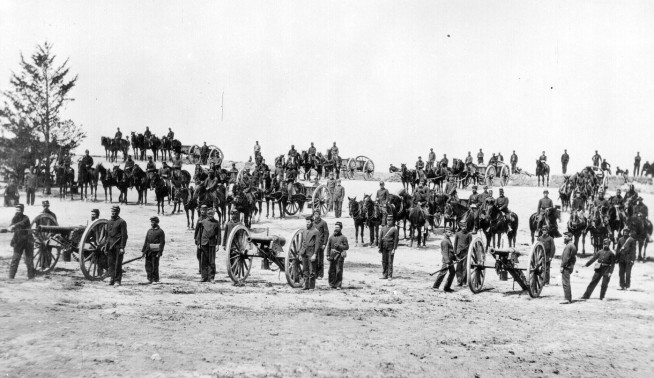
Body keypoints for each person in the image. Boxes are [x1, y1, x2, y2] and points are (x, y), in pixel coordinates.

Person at [8, 204, 34, 279]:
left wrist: (14, 226)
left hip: (27, 241)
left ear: (22, 210)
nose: (17, 211)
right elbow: (11, 225)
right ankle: (11, 277)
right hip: (18, 241)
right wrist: (10, 227)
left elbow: (22, 223)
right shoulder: (14, 218)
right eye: (16, 210)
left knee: (29, 260)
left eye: (19, 210)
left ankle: (31, 277)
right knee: (15, 259)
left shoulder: (26, 218)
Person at [105, 206, 128, 286]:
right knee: (110, 264)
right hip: (110, 246)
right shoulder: (109, 222)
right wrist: (105, 246)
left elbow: (124, 236)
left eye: (115, 211)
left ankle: (117, 280)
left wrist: (122, 247)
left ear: (118, 212)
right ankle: (112, 278)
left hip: (118, 246)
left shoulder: (122, 222)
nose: (113, 213)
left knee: (118, 263)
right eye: (112, 211)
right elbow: (107, 235)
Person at [197, 207, 220, 282]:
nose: (211, 215)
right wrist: (199, 243)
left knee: (212, 261)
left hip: (212, 243)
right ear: (207, 214)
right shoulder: (203, 222)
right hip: (204, 243)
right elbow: (199, 234)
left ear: (214, 214)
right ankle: (204, 277)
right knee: (203, 260)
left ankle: (211, 277)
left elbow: (218, 234)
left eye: (212, 214)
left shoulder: (216, 223)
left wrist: (217, 245)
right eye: (209, 214)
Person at [142, 216, 166, 284]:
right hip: (148, 250)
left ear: (157, 222)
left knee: (154, 265)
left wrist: (160, 252)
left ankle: (155, 279)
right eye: (151, 222)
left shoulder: (160, 231)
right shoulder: (149, 231)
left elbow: (162, 243)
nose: (152, 223)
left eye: (153, 222)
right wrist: (144, 251)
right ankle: (149, 278)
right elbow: (146, 241)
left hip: (155, 251)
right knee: (148, 265)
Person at [326, 221, 349, 289]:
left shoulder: (343, 237)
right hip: (332, 255)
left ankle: (338, 284)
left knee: (339, 270)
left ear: (341, 228)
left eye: (338, 227)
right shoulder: (331, 237)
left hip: (339, 256)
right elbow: (328, 247)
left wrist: (339, 246)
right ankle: (331, 284)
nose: (336, 229)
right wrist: (327, 255)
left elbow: (347, 247)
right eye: (335, 227)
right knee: (331, 270)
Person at [299, 215, 320, 290]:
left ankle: (311, 286)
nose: (307, 224)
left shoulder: (316, 232)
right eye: (306, 223)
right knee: (305, 270)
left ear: (312, 222)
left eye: (308, 223)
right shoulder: (304, 231)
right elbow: (302, 242)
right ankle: (306, 285)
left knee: (312, 270)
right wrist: (300, 253)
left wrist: (315, 254)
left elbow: (317, 244)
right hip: (304, 252)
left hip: (311, 252)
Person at [378, 215, 399, 280]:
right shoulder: (383, 228)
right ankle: (384, 274)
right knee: (384, 261)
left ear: (392, 221)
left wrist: (394, 249)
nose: (388, 221)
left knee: (390, 261)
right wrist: (379, 247)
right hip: (384, 247)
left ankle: (389, 275)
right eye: (387, 220)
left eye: (390, 220)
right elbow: (380, 238)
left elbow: (396, 240)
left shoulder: (394, 230)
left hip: (390, 247)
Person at [560, 232, 577, 304]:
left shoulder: (568, 246)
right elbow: (574, 258)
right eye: (564, 236)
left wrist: (562, 266)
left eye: (566, 236)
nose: (564, 238)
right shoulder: (573, 245)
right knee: (567, 282)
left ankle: (567, 299)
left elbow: (565, 258)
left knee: (565, 283)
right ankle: (568, 298)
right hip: (570, 266)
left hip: (566, 267)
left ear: (570, 237)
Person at [313, 211, 329, 280]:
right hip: (313, 244)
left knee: (320, 260)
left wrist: (324, 243)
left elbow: (326, 234)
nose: (316, 215)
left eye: (317, 214)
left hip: (320, 244)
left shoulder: (323, 223)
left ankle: (320, 274)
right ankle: (315, 274)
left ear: (319, 215)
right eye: (315, 214)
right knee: (314, 259)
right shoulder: (313, 223)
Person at [194, 205, 208, 273]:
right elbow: (196, 229)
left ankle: (205, 269)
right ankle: (200, 268)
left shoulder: (208, 219)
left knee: (205, 255)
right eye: (202, 210)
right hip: (199, 239)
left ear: (206, 211)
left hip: (206, 240)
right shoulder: (199, 219)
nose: (203, 211)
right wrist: (195, 238)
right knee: (198, 254)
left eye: (204, 210)